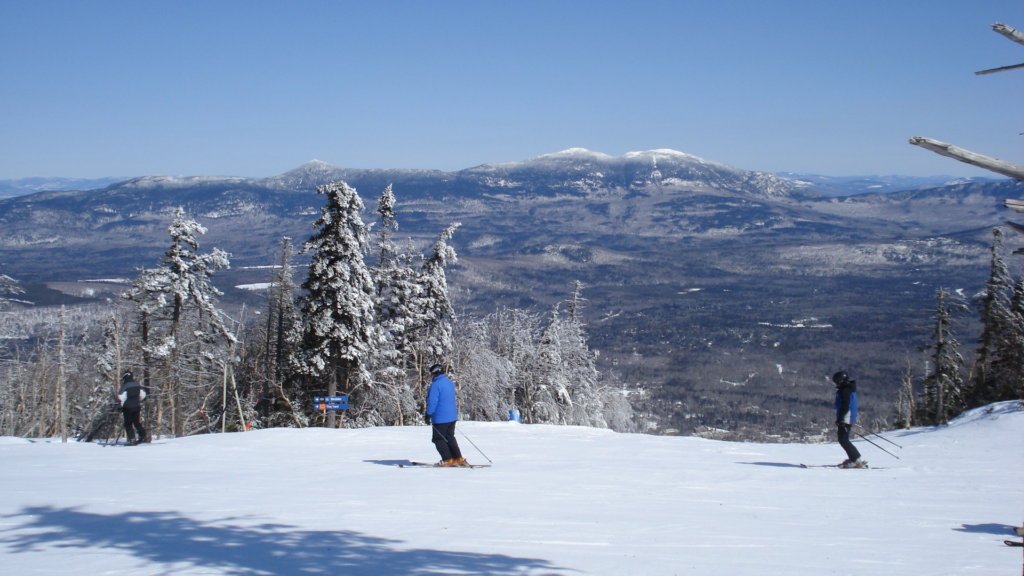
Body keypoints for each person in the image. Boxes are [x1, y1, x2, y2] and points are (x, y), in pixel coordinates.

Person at [425, 363, 466, 467]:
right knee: (450, 437)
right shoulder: (449, 383)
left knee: (438, 439)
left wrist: (428, 414)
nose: (431, 376)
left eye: (431, 374)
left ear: (435, 373)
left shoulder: (435, 385)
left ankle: (448, 459)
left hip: (440, 418)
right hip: (452, 417)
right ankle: (458, 458)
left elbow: (432, 401)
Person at [833, 371, 866, 468]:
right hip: (848, 417)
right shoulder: (849, 389)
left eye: (837, 381)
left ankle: (856, 459)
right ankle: (854, 458)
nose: (836, 384)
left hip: (846, 417)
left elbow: (845, 405)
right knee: (843, 439)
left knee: (843, 439)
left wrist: (841, 418)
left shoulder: (845, 390)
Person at [118, 370, 149, 446]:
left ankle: (132, 439)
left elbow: (121, 397)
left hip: (127, 407)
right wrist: (138, 400)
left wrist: (121, 404)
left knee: (128, 423)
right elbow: (143, 394)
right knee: (136, 422)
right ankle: (143, 436)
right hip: (137, 406)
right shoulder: (137, 384)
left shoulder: (124, 386)